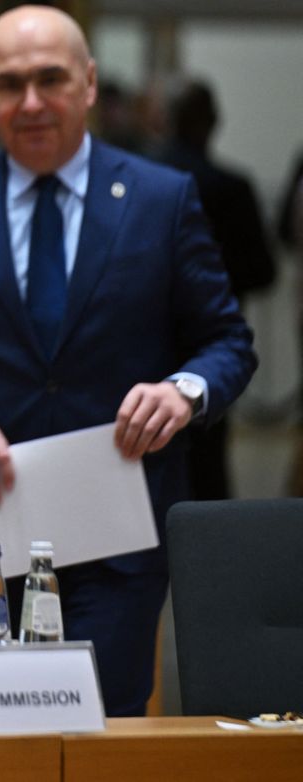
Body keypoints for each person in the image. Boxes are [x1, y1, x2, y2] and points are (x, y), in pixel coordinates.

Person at [0, 6, 256, 717]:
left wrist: (184, 391)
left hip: (119, 537)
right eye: (11, 84)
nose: (33, 102)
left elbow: (229, 342)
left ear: (88, 83)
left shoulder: (161, 201)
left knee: (99, 732)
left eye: (51, 79)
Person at [155, 77, 276, 500]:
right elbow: (263, 270)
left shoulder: (145, 186)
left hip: (170, 349)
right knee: (206, 468)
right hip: (205, 346)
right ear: (213, 123)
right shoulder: (230, 187)